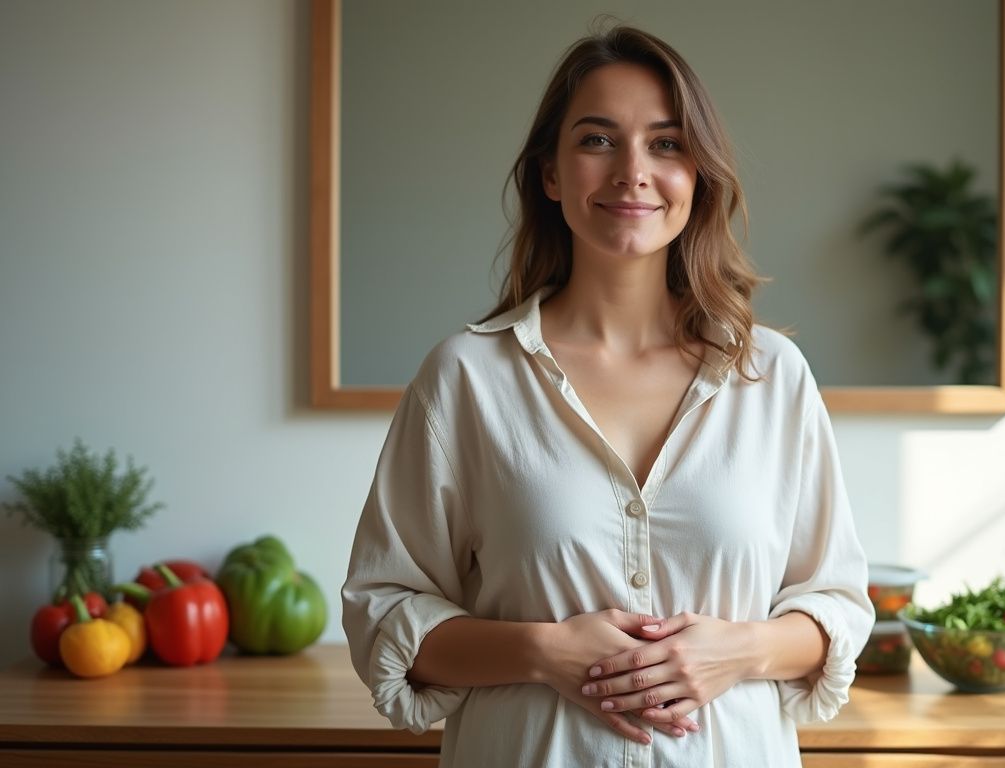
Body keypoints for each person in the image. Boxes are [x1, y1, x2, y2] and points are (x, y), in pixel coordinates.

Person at [341, 23, 875, 768]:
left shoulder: (773, 377)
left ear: (699, 175)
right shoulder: (464, 379)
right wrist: (541, 651)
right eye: (597, 140)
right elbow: (383, 612)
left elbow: (838, 607)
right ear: (551, 174)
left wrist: (737, 650)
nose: (633, 172)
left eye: (665, 143)